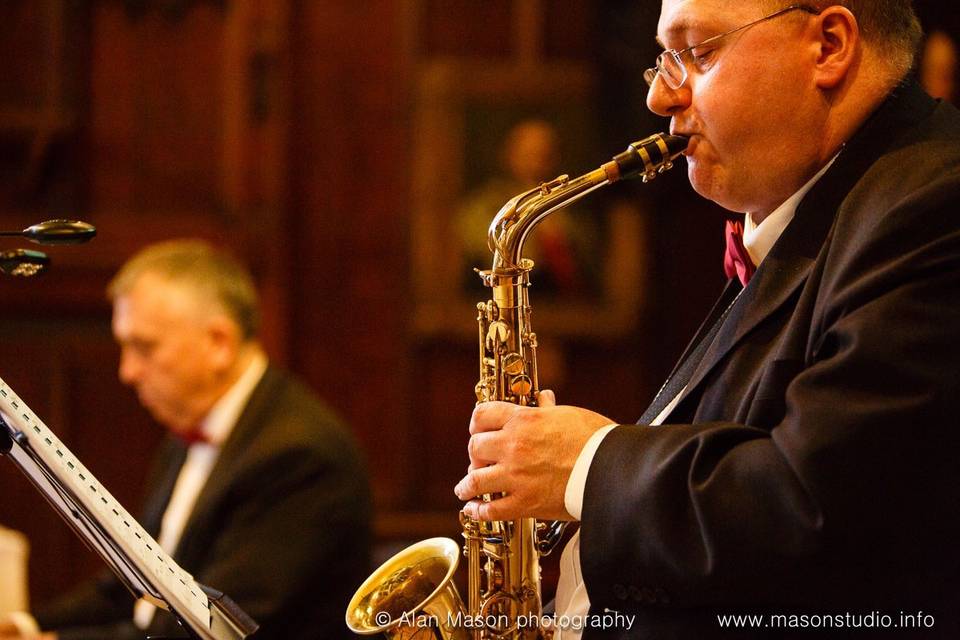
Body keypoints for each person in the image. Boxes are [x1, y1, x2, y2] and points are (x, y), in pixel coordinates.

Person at [455, 1, 960, 638]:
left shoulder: (935, 206)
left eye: (698, 54)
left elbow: (809, 510)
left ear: (829, 45)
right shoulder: (820, 215)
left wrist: (585, 464)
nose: (661, 99)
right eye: (664, 60)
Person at [1, 240, 372, 639]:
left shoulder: (300, 454)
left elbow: (214, 628)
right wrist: (24, 627)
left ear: (219, 343)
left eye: (144, 347)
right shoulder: (192, 426)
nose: (127, 372)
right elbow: (132, 585)